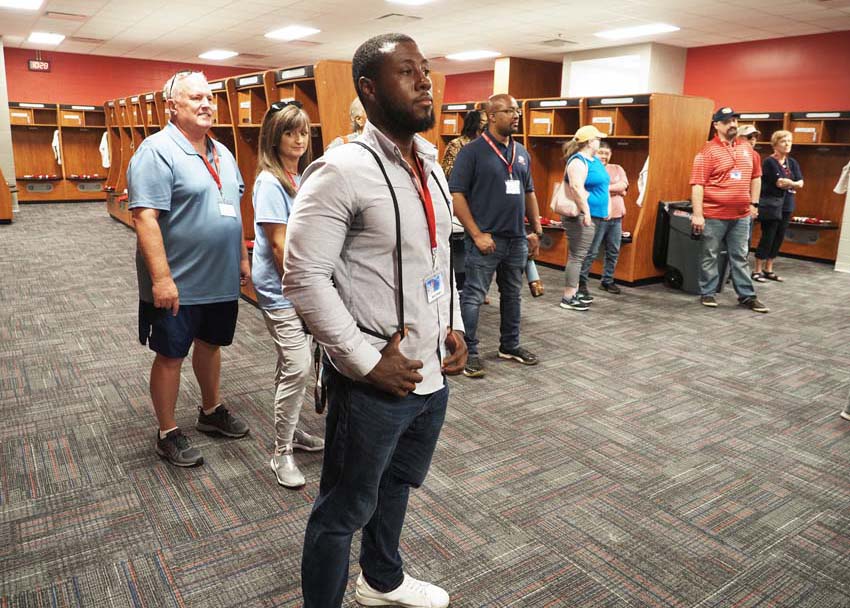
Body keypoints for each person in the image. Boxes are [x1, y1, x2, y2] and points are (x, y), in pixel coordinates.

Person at [283, 33, 466, 608]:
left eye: (426, 70)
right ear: (369, 88)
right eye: (407, 72)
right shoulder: (339, 170)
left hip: (429, 372)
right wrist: (364, 361)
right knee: (343, 509)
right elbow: (303, 278)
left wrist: (454, 323)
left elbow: (438, 257)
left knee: (398, 485)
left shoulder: (432, 165)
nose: (424, 81)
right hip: (373, 381)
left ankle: (381, 580)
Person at [128, 71, 250, 467]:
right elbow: (145, 217)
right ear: (172, 107)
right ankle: (167, 431)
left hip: (220, 278)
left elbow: (233, 206)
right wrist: (161, 279)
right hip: (177, 282)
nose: (206, 104)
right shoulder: (156, 150)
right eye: (195, 97)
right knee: (170, 355)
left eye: (210, 97)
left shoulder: (223, 152)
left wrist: (242, 257)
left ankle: (211, 412)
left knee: (211, 344)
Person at [251, 100, 325, 488]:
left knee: (289, 364)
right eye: (290, 132)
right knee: (298, 365)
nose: (298, 140)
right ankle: (281, 453)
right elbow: (279, 245)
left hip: (300, 285)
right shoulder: (269, 181)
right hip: (281, 290)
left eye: (303, 132)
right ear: (274, 137)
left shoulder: (302, 177)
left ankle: (292, 429)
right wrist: (301, 294)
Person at [449, 93, 542, 378]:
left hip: (516, 240)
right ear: (491, 116)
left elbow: (528, 192)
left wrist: (536, 229)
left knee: (513, 295)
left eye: (517, 111)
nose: (516, 115)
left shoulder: (521, 152)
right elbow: (457, 195)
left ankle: (510, 345)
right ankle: (469, 352)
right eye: (508, 111)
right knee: (474, 296)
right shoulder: (472, 152)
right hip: (485, 240)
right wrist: (476, 234)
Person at [689, 107, 768, 313]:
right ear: (716, 125)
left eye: (734, 120)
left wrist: (754, 204)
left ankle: (747, 296)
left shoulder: (748, 150)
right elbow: (697, 184)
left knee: (740, 256)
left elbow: (756, 177)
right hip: (714, 215)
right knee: (710, 255)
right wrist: (697, 215)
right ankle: (708, 292)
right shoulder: (707, 151)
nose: (732, 124)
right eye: (727, 121)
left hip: (741, 216)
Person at [559, 125, 608, 311]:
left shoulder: (594, 160)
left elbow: (602, 186)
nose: (600, 142)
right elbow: (577, 189)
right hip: (581, 216)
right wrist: (586, 212)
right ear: (589, 142)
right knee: (577, 256)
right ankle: (568, 297)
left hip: (597, 215)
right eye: (597, 139)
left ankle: (577, 291)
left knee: (587, 255)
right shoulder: (577, 161)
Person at [753, 130, 804, 283]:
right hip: (771, 206)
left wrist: (791, 184)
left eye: (789, 141)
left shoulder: (792, 162)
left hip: (787, 205)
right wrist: (792, 184)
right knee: (768, 236)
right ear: (775, 144)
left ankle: (769, 269)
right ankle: (757, 270)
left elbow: (801, 183)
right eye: (783, 141)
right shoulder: (769, 162)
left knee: (779, 236)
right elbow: (779, 183)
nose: (788, 144)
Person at [578, 139, 626, 295]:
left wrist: (609, 189)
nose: (604, 156)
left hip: (616, 217)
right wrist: (615, 190)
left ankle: (607, 281)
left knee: (613, 250)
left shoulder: (617, 168)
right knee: (591, 251)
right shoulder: (590, 167)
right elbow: (588, 189)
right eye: (601, 153)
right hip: (597, 216)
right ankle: (581, 283)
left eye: (607, 153)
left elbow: (624, 186)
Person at [441, 109, 486, 178]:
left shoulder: (485, 144)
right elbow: (446, 172)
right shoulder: (456, 144)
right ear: (477, 123)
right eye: (485, 121)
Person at [738, 125, 762, 252]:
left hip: (745, 206)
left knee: (742, 245)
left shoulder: (755, 155)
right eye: (749, 137)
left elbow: (756, 179)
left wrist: (754, 204)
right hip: (724, 207)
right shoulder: (728, 151)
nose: (753, 140)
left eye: (755, 137)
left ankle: (735, 272)